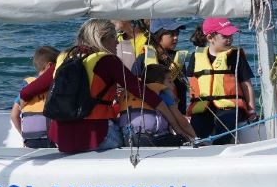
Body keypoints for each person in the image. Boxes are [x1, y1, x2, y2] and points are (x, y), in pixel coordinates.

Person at [19, 19, 182, 154]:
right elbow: (143, 92)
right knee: (133, 135)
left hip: (61, 139)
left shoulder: (63, 58)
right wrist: (176, 124)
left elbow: (25, 93)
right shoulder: (108, 61)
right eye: (114, 37)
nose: (117, 42)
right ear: (103, 39)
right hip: (97, 137)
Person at [184, 18, 257, 145]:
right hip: (203, 107)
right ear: (210, 38)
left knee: (225, 130)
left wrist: (251, 110)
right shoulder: (196, 57)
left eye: (231, 35)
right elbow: (192, 84)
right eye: (225, 36)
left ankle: (219, 149)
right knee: (196, 132)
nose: (230, 39)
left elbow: (246, 85)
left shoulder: (236, 56)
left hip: (230, 107)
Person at [118, 64, 197, 147]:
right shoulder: (162, 93)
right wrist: (193, 138)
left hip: (128, 139)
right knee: (182, 139)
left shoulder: (130, 92)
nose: (173, 85)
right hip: (152, 139)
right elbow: (181, 122)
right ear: (158, 82)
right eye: (170, 81)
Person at [131, 18, 189, 113]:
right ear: (158, 36)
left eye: (177, 33)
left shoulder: (178, 59)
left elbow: (182, 90)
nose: (176, 37)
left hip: (175, 111)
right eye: (171, 34)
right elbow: (133, 87)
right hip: (150, 111)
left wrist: (182, 113)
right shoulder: (142, 59)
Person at [10, 46, 60, 149]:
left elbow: (14, 115)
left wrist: (23, 136)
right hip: (52, 139)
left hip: (30, 139)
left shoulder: (27, 86)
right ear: (50, 66)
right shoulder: (55, 85)